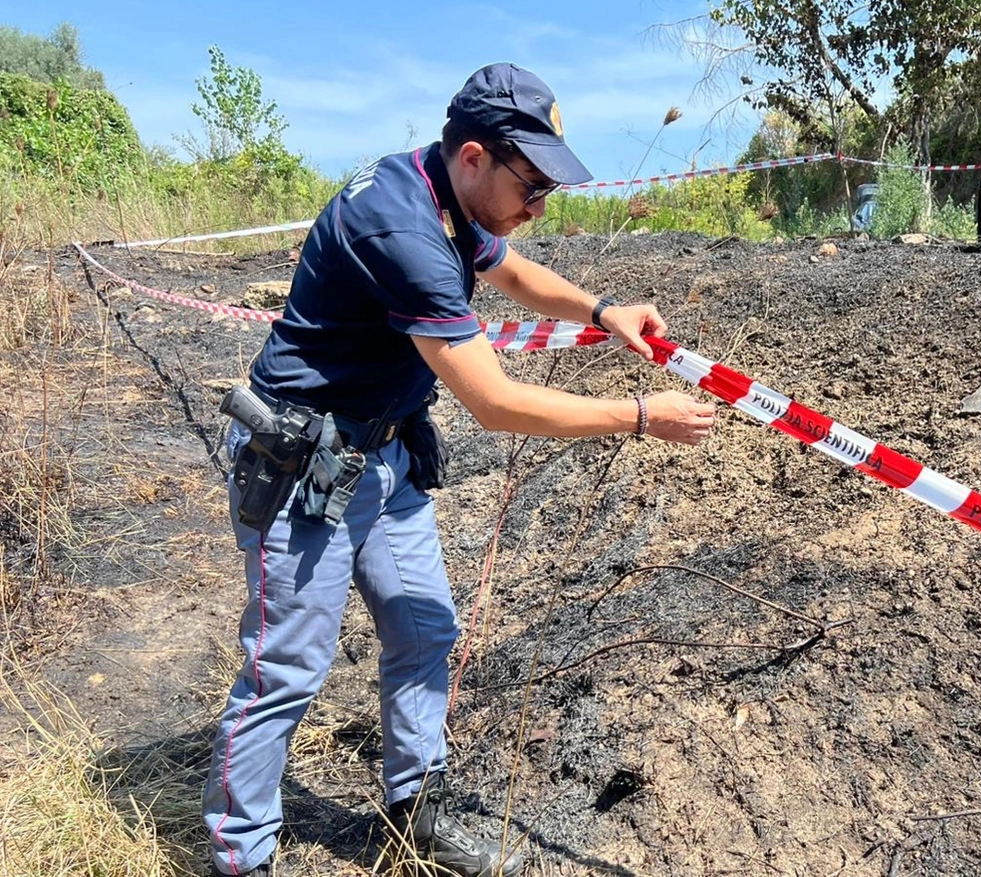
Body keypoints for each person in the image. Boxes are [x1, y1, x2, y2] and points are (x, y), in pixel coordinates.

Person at [202, 62, 716, 877]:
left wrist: (600, 310)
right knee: (286, 670)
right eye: (532, 183)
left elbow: (505, 267)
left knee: (425, 627)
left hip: (382, 454)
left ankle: (415, 813)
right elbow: (496, 403)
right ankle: (240, 858)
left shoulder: (445, 193)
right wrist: (642, 416)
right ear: (474, 155)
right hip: (305, 464)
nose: (540, 205)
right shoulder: (401, 230)